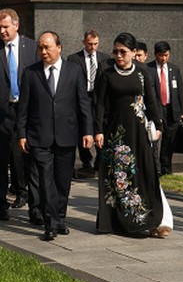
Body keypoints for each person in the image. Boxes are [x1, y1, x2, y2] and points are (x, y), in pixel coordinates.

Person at [94, 32, 173, 237]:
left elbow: (151, 101)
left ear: (133, 52)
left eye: (123, 52)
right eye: (115, 51)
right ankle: (117, 222)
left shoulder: (142, 72)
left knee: (145, 172)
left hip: (139, 132)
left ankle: (150, 219)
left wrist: (158, 125)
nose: (119, 55)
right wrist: (98, 131)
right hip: (116, 134)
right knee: (118, 178)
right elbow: (100, 104)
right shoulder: (107, 74)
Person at [18, 32, 94, 241]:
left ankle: (60, 218)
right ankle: (50, 224)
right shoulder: (30, 73)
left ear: (59, 47)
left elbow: (83, 103)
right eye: (40, 48)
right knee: (45, 180)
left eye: (47, 47)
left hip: (66, 135)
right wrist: (22, 134)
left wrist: (87, 130)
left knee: (62, 181)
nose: (43, 52)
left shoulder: (74, 71)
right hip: (38, 136)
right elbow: (23, 108)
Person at [0, 8, 38, 223]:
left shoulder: (31, 48)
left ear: (16, 25)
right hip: (2, 114)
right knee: (0, 160)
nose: (2, 31)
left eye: (6, 27)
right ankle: (1, 204)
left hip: (27, 113)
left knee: (29, 160)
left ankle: (34, 206)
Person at [68, 30, 109, 179]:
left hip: (99, 97)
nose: (93, 47)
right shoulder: (74, 59)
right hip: (82, 96)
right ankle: (86, 162)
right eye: (90, 44)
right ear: (84, 42)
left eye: (95, 44)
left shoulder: (105, 59)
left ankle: (100, 160)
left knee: (99, 127)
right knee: (83, 128)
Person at [148, 41, 183, 176]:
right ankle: (155, 169)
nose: (163, 58)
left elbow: (179, 91)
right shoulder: (149, 69)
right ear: (155, 55)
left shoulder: (174, 69)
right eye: (160, 55)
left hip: (172, 108)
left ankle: (166, 168)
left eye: (166, 55)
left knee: (169, 140)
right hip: (156, 109)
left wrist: (181, 111)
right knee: (154, 139)